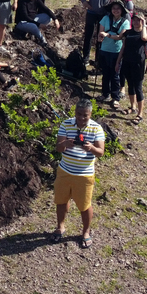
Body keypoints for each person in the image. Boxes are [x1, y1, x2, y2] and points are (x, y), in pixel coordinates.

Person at [52, 99, 105, 249]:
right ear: (74, 112)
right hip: (64, 171)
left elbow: (101, 152)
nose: (81, 118)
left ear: (90, 114)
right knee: (61, 201)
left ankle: (86, 232)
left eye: (85, 115)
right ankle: (60, 227)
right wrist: (65, 145)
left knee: (84, 205)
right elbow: (58, 148)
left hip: (85, 175)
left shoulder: (97, 128)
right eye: (79, 114)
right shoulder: (66, 124)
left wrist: (91, 148)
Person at [76, 0, 121, 66]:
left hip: (105, 14)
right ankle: (85, 58)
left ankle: (98, 60)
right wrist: (84, 2)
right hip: (92, 11)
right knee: (88, 36)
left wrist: (115, 3)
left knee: (101, 36)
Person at [118, 12, 147, 124]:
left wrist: (144, 25)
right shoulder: (128, 33)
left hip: (138, 64)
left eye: (139, 20)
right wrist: (118, 62)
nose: (136, 22)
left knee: (138, 88)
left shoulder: (144, 34)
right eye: (135, 20)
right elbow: (123, 47)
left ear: (142, 21)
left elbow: (144, 37)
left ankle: (140, 114)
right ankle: (133, 107)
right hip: (127, 62)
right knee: (130, 85)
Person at [96, 0, 131, 104]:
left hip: (117, 51)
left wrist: (108, 35)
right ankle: (105, 94)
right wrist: (100, 37)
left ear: (122, 10)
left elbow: (121, 37)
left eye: (118, 8)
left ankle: (115, 97)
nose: (115, 10)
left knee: (115, 74)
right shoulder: (105, 18)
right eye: (114, 8)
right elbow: (100, 33)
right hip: (104, 49)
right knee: (105, 74)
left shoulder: (125, 22)